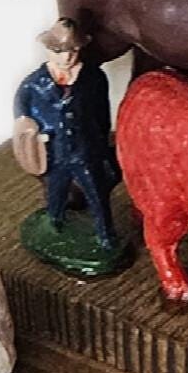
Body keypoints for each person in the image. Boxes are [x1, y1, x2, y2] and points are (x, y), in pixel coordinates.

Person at [11, 20, 126, 270]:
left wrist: (102, 143)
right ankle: (54, 221)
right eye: (59, 51)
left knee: (97, 194)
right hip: (55, 152)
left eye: (72, 51)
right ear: (48, 50)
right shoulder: (33, 84)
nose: (66, 57)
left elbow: (101, 113)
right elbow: (22, 117)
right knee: (56, 192)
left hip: (86, 151)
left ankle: (106, 235)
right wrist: (34, 134)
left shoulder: (93, 77)